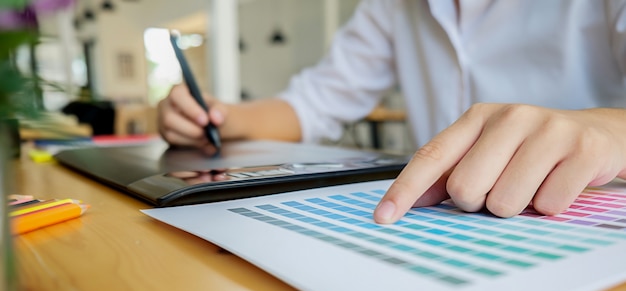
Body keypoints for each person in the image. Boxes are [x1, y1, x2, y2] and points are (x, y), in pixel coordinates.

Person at [157, 0, 626, 224]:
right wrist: (218, 117)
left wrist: (608, 130)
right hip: (447, 223)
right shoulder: (391, 6)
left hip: (583, 224)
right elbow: (317, 100)